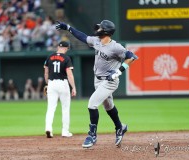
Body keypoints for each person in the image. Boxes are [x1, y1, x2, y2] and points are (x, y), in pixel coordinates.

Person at [56, 20, 138, 148]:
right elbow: (82, 37)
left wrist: (118, 71)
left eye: (100, 28)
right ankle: (120, 127)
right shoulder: (96, 41)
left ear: (106, 32)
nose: (98, 29)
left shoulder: (115, 47)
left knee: (92, 104)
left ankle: (92, 135)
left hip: (110, 80)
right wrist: (68, 27)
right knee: (108, 105)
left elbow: (132, 56)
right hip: (98, 79)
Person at [44, 41, 76, 138]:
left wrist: (47, 84)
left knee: (50, 108)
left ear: (58, 47)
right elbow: (69, 74)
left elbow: (46, 73)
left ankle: (48, 128)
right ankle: (65, 132)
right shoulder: (66, 58)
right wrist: (73, 87)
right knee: (65, 109)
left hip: (52, 83)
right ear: (66, 48)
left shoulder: (49, 57)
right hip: (63, 84)